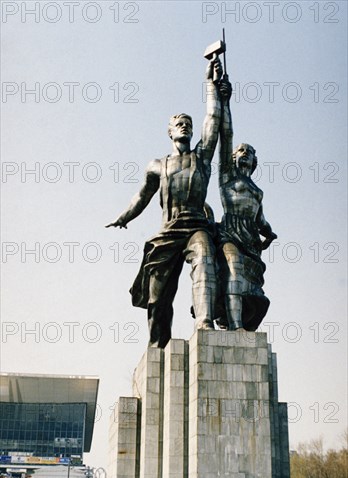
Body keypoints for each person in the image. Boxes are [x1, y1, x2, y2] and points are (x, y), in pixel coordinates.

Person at [106, 58, 223, 348]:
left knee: (205, 257)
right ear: (169, 132)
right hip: (167, 232)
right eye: (178, 124)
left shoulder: (202, 158)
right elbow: (141, 197)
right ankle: (158, 345)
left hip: (197, 227)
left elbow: (213, 120)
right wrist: (124, 217)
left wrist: (211, 84)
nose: (184, 126)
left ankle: (204, 322)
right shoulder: (157, 165)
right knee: (157, 297)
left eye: (188, 124)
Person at [216, 77, 277, 331]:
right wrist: (225, 102)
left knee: (251, 289)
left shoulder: (257, 192)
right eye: (241, 151)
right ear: (233, 157)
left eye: (249, 152)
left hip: (251, 240)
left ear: (254, 161)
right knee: (233, 269)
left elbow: (261, 221)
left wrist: (269, 234)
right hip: (230, 233)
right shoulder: (227, 176)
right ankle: (235, 324)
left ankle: (239, 323)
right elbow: (226, 134)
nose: (245, 154)